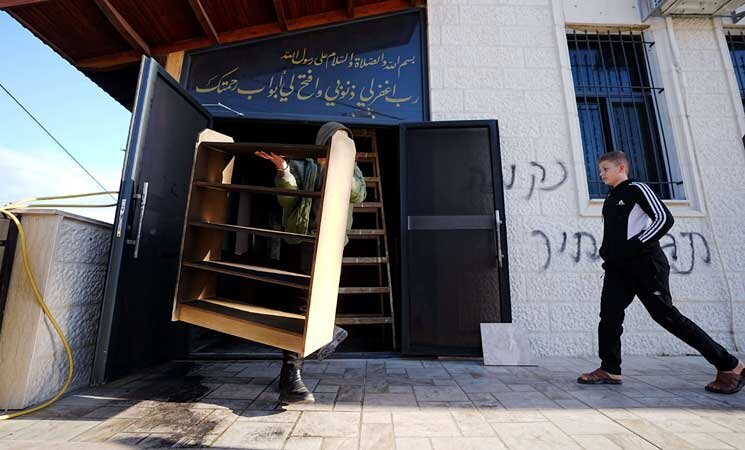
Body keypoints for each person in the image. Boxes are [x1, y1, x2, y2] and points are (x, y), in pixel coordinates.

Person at [578, 151, 745, 395]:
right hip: (618, 269)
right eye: (601, 169)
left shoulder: (637, 189)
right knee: (609, 316)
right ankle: (610, 369)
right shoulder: (611, 198)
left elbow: (664, 219)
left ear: (621, 168)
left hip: (645, 265)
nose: (601, 174)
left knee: (667, 317)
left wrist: (635, 245)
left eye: (605, 169)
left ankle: (730, 365)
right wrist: (608, 253)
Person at [255, 122, 366, 404]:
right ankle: (295, 372)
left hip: (332, 242)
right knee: (302, 304)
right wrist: (283, 171)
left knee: (317, 301)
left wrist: (337, 168)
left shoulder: (351, 169)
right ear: (324, 140)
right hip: (304, 240)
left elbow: (357, 194)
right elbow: (287, 200)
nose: (340, 145)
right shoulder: (303, 164)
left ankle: (310, 352)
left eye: (346, 142)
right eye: (336, 140)